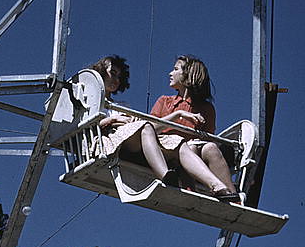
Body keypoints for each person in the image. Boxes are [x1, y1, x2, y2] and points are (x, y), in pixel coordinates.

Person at [99, 55, 240, 201]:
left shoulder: (205, 108)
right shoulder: (165, 101)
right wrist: (178, 115)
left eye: (175, 69)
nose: (170, 73)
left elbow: (208, 137)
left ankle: (231, 195)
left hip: (193, 152)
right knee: (187, 146)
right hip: (166, 149)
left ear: (188, 74)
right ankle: (189, 194)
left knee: (210, 147)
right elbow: (149, 129)